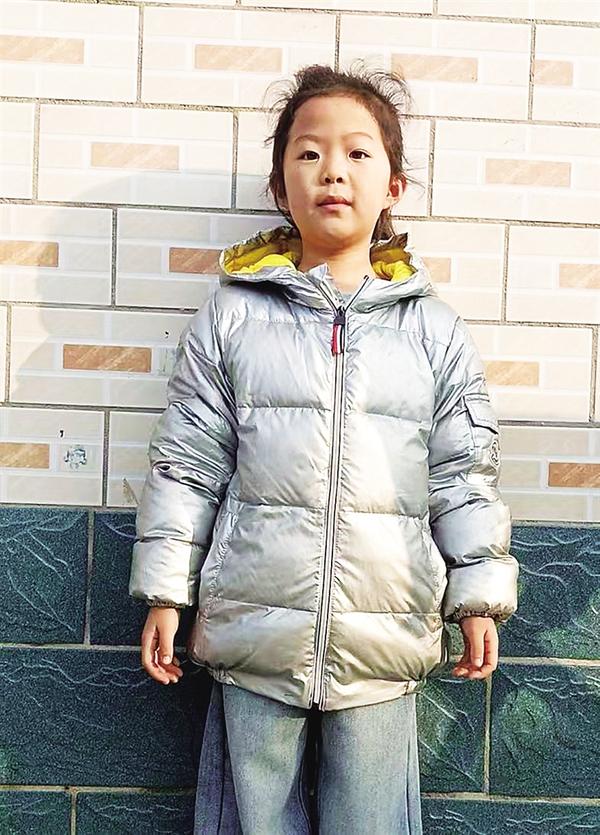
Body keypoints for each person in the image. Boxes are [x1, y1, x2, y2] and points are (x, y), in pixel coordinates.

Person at [128, 61, 519, 834]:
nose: (332, 170)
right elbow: (188, 463)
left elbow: (463, 474)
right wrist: (167, 591)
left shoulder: (433, 330)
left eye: (357, 153)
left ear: (392, 187)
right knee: (252, 819)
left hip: (383, 634)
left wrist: (478, 594)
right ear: (281, 187)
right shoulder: (233, 317)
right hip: (253, 630)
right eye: (308, 153)